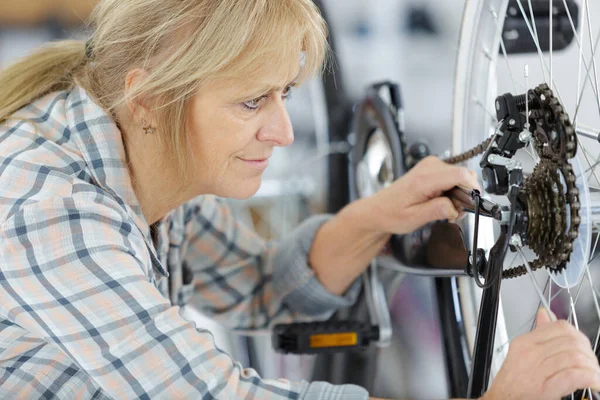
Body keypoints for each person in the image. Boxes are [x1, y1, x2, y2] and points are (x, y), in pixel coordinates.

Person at [0, 1, 598, 399]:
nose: (284, 132)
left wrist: (373, 217)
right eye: (253, 102)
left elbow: (257, 285)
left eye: (284, 92)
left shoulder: (139, 152)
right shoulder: (53, 211)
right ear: (150, 99)